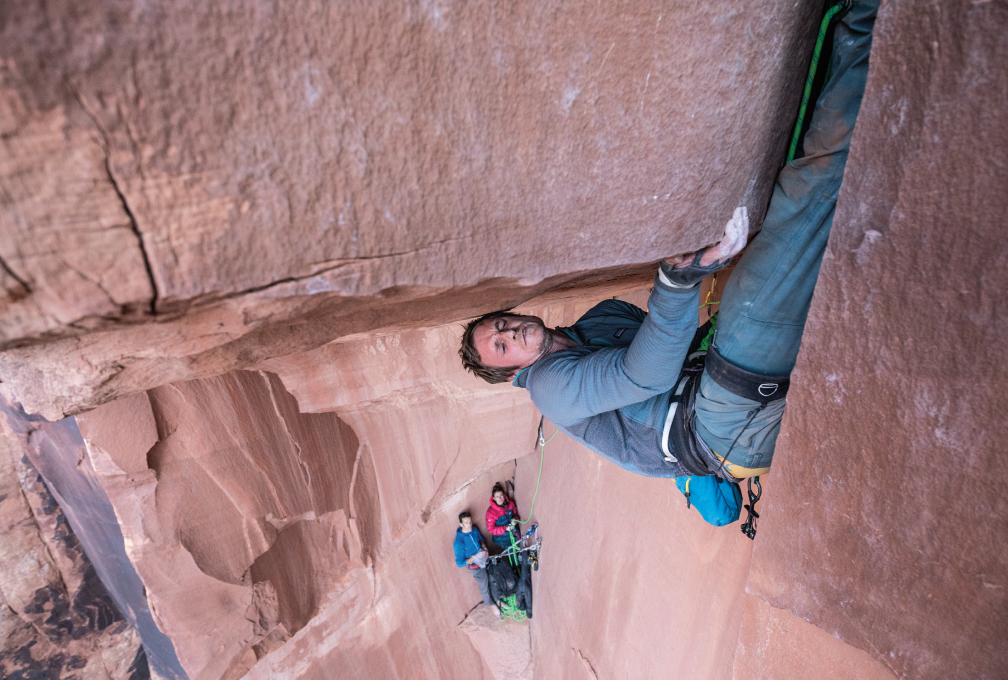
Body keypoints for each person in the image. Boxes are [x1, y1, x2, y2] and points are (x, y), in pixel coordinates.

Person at [458, 0, 877, 507]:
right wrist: (680, 282)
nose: (509, 334)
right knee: (771, 260)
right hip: (714, 432)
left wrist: (707, 267)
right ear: (509, 373)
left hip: (710, 392)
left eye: (501, 324)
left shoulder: (601, 317)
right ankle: (868, 27)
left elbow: (670, 337)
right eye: (501, 347)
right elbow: (648, 374)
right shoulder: (550, 389)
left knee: (759, 276)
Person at [453, 511, 500, 616]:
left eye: (470, 522)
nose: (469, 525)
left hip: (483, 557)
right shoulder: (459, 542)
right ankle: (491, 604)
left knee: (492, 578)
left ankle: (497, 600)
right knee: (484, 585)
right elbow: (460, 563)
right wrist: (475, 557)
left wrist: (484, 547)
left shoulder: (474, 529)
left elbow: (481, 539)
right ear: (461, 524)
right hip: (475, 566)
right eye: (466, 523)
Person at [485, 482, 520, 549]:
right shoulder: (491, 513)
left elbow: (516, 515)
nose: (500, 498)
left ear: (504, 495)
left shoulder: (511, 504)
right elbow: (491, 529)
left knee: (519, 552)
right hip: (502, 539)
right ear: (494, 498)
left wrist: (515, 520)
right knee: (512, 555)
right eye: (497, 497)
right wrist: (505, 528)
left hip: (515, 534)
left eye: (501, 495)